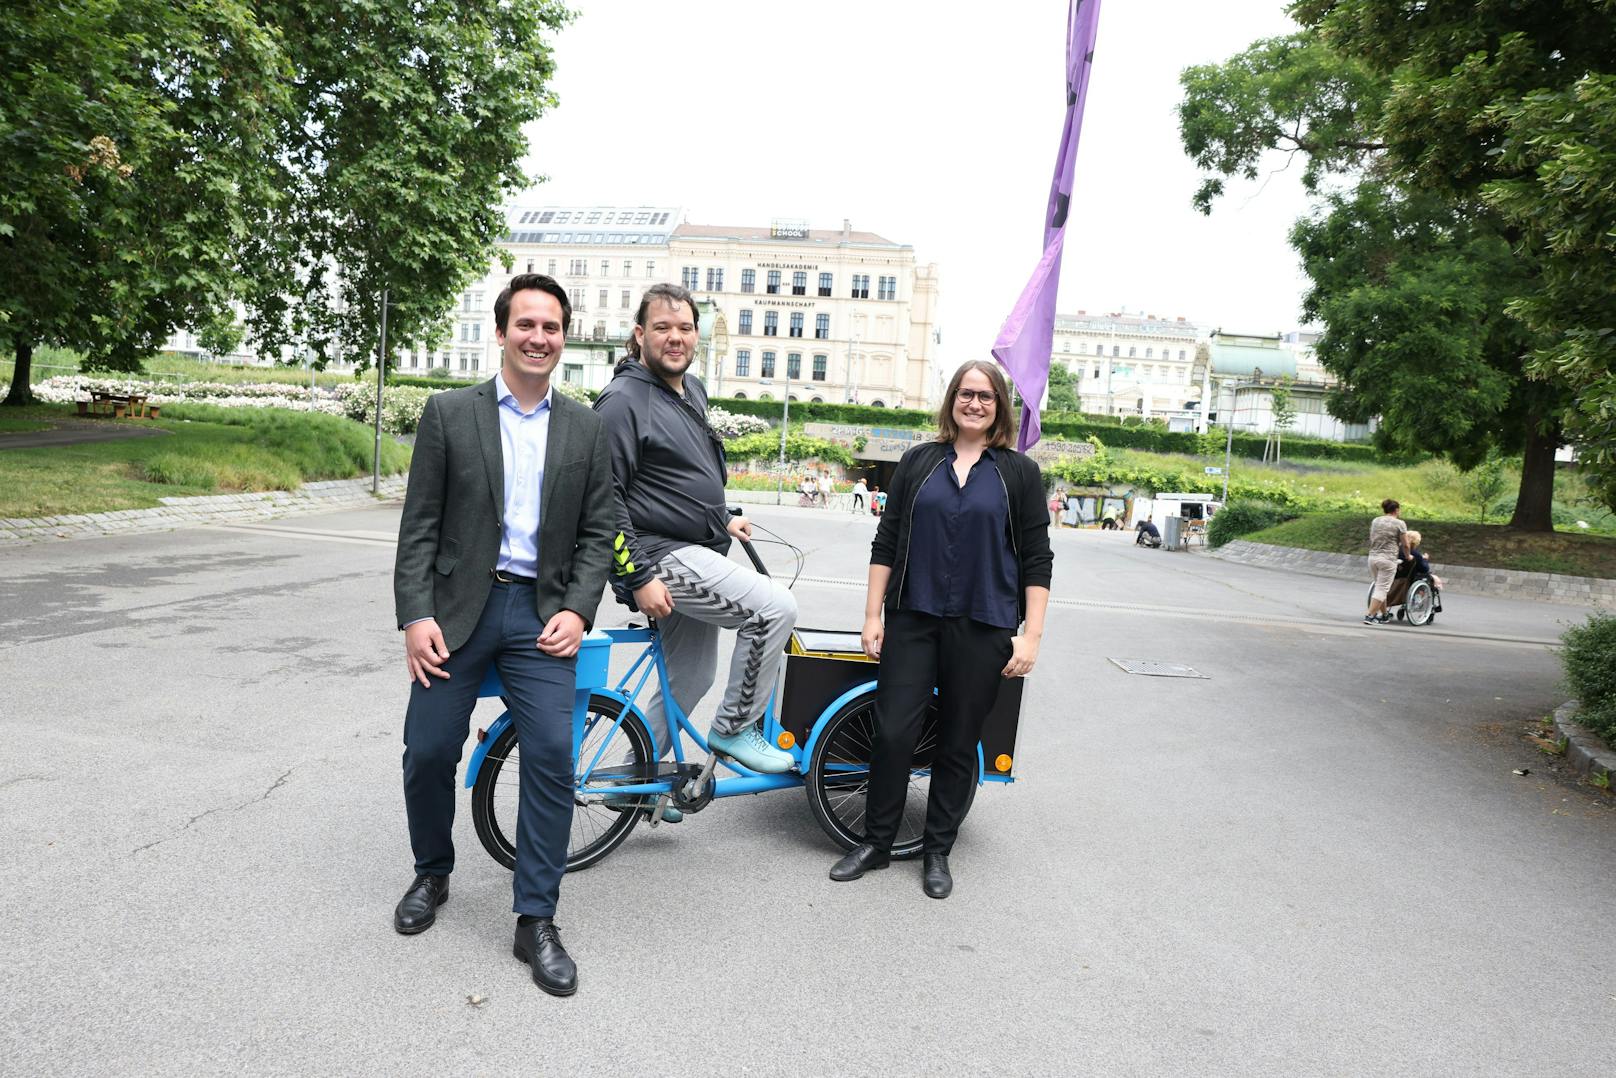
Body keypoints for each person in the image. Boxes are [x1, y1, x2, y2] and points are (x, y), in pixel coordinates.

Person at [392, 273, 614, 996]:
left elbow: (596, 531)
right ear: (501, 331)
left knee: (552, 754)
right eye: (527, 324)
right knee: (427, 749)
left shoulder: (586, 426)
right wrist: (416, 614)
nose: (539, 337)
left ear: (563, 337)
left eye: (552, 327)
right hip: (458, 610)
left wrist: (579, 609)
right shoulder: (449, 414)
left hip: (540, 615)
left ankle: (535, 920)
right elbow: (419, 525)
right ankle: (433, 873)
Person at [830, 360, 1052, 900]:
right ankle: (877, 843)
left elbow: (1037, 559)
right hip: (914, 617)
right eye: (965, 393)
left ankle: (937, 852)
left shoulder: (1017, 472)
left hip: (984, 624)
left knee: (957, 741)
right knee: (893, 732)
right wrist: (871, 614)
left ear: (999, 406)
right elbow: (886, 543)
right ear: (951, 399)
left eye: (986, 397)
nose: (974, 404)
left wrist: (1031, 636)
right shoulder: (918, 462)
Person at [593, 283, 797, 777]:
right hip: (657, 558)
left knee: (690, 677)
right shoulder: (622, 401)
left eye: (685, 327)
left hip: (692, 547)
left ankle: (634, 778)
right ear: (640, 335)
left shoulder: (691, 389)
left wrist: (723, 515)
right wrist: (638, 577)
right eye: (662, 327)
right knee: (774, 609)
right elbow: (604, 500)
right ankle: (734, 729)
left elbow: (675, 479)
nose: (675, 337)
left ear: (696, 335)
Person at [1365, 498, 1410, 625]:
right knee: (1382, 589)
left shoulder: (1375, 521)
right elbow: (1406, 544)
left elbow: (1372, 537)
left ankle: (1384, 615)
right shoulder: (1399, 523)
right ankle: (1369, 616)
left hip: (1373, 558)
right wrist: (1408, 556)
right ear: (1396, 510)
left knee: (1380, 587)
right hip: (1388, 559)